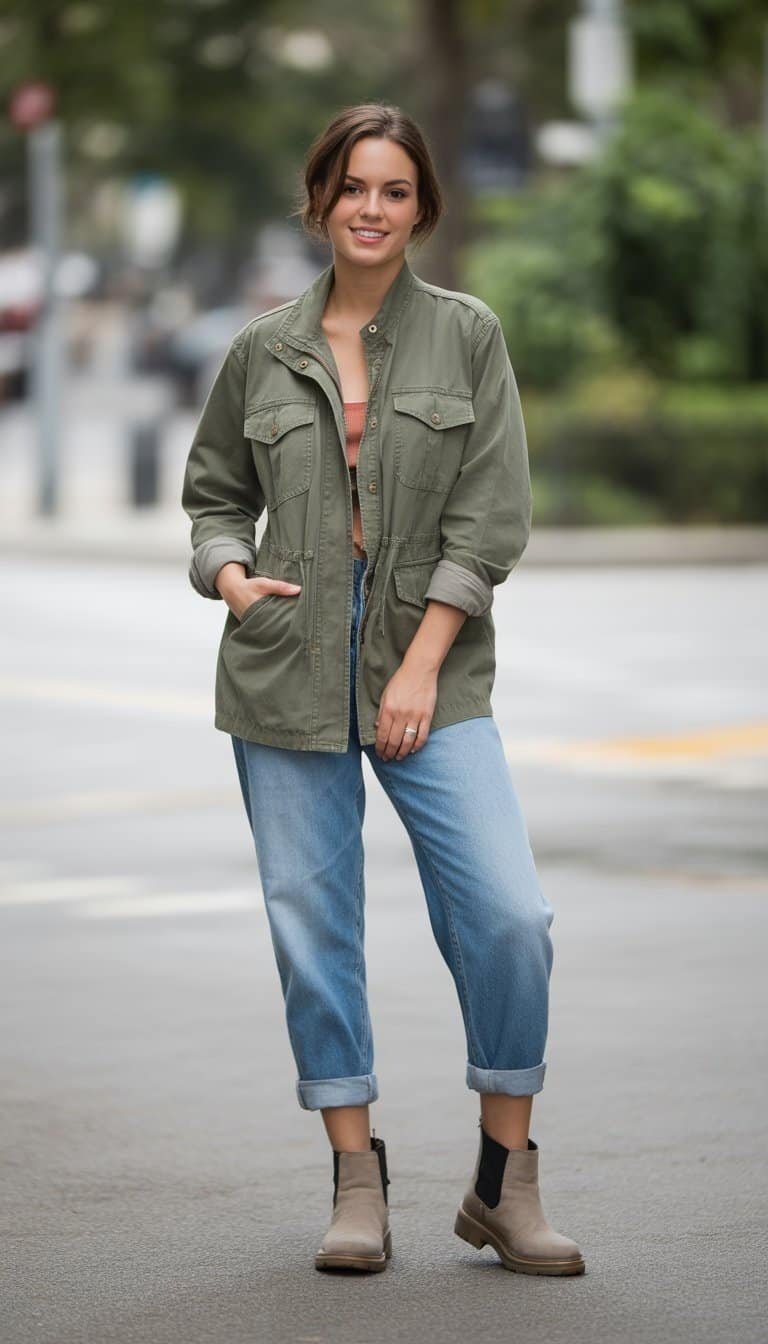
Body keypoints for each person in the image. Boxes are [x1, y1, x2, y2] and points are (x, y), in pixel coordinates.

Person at [181, 102, 585, 1277]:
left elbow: (492, 516)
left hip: (433, 669)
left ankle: (505, 1185)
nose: (371, 206)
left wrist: (419, 661)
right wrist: (229, 576)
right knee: (315, 931)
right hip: (285, 666)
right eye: (353, 186)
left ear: (422, 209)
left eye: (395, 189)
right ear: (321, 200)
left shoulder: (468, 336)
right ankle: (357, 1183)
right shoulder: (261, 348)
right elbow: (213, 496)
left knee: (511, 916)